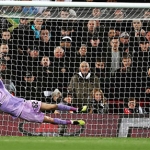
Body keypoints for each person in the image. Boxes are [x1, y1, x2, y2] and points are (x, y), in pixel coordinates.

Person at [0, 79, 86, 126]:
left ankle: (77, 109)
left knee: (52, 106)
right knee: (50, 120)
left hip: (27, 103)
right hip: (24, 113)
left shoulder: (2, 89)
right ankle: (72, 122)